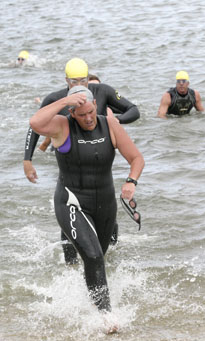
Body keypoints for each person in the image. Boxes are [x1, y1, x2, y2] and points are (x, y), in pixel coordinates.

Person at [29, 86, 144, 315]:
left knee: (97, 258)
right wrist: (64, 101)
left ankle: (90, 303)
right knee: (92, 257)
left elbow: (136, 158)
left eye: (90, 112)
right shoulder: (62, 126)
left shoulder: (108, 124)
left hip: (104, 204)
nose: (88, 118)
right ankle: (105, 316)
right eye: (81, 115)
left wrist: (131, 181)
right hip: (71, 202)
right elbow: (35, 123)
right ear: (72, 113)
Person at [24, 58, 140, 263]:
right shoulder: (57, 98)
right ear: (67, 80)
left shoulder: (103, 91)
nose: (79, 85)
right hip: (69, 155)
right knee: (72, 215)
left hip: (101, 156)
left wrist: (114, 123)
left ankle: (103, 261)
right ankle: (71, 263)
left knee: (104, 238)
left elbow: (134, 110)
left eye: (83, 80)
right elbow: (35, 125)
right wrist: (28, 159)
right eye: (74, 81)